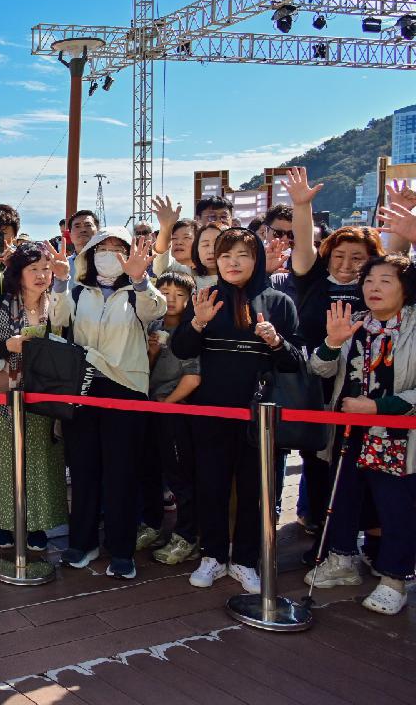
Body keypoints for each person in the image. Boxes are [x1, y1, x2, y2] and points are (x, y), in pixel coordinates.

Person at [172, 228, 303, 594]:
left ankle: (246, 560)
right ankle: (212, 555)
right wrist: (197, 322)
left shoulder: (278, 302)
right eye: (225, 255)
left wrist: (275, 341)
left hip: (259, 416)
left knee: (253, 490)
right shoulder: (206, 297)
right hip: (211, 412)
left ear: (256, 259)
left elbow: (294, 363)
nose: (233, 262)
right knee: (210, 486)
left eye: (242, 255)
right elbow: (182, 350)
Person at [46, 228, 165, 579]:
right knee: (83, 471)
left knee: (121, 473)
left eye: (118, 248)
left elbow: (155, 309)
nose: (110, 253)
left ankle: (122, 549)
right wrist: (60, 282)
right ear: (90, 254)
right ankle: (82, 543)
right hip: (82, 387)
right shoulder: (80, 291)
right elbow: (58, 319)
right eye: (103, 247)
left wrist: (139, 279)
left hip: (125, 387)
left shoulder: (137, 292)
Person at [306, 258, 416, 614]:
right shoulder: (354, 324)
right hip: (349, 430)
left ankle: (395, 577)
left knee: (396, 506)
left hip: (398, 435)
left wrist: (381, 406)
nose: (374, 288)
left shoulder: (413, 326)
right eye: (369, 281)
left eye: (385, 280)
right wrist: (332, 343)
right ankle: (341, 560)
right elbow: (319, 368)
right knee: (343, 494)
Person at [282, 166, 384, 539]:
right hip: (317, 384)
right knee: (317, 460)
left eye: (357, 258)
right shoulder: (311, 280)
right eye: (339, 256)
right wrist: (301, 206)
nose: (346, 265)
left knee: (365, 463)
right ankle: (325, 533)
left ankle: (369, 535)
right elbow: (304, 243)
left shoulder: (379, 287)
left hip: (364, 390)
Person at [0, 242, 68, 551]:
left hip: (45, 395)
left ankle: (37, 524)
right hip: (5, 395)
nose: (42, 275)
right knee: (4, 461)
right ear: (18, 274)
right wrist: (8, 346)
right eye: (34, 269)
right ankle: (4, 522)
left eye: (46, 268)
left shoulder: (57, 305)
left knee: (41, 460)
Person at [145, 271, 202, 565]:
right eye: (164, 292)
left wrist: (169, 403)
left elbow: (192, 378)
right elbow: (146, 367)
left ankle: (187, 537)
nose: (170, 300)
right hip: (152, 408)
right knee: (151, 471)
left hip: (175, 411)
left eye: (179, 295)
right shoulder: (153, 325)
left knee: (180, 477)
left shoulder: (191, 331)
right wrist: (152, 351)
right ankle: (153, 526)